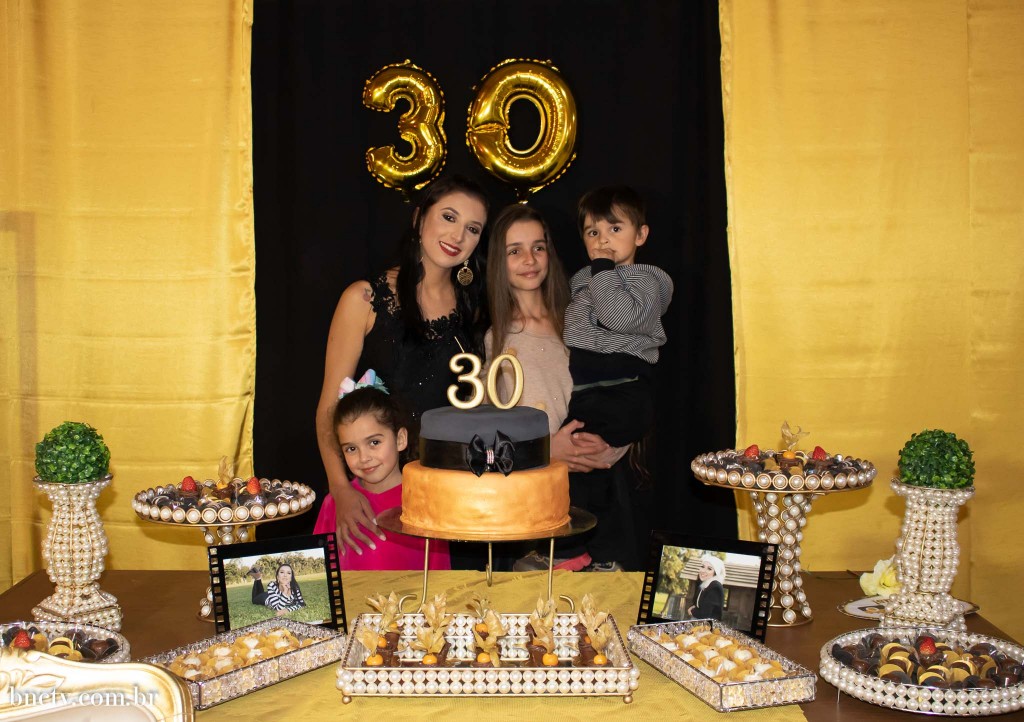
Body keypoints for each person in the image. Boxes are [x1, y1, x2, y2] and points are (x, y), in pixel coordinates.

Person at [315, 175, 489, 558]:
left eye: (472, 228)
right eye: (448, 217)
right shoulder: (364, 299)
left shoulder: (474, 308)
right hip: (375, 503)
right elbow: (329, 406)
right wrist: (340, 489)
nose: (458, 235)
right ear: (419, 218)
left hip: (449, 501)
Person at [483, 204, 627, 571]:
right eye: (514, 251)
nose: (529, 260)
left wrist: (612, 446)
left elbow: (625, 393)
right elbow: (489, 447)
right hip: (539, 513)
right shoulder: (495, 342)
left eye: (538, 247)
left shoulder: (583, 318)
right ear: (498, 261)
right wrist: (548, 450)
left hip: (604, 500)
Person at [559, 186, 674, 570]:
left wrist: (603, 270)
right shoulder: (584, 279)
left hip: (625, 385)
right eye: (593, 232)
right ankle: (586, 553)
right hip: (588, 389)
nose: (603, 240)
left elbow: (617, 316)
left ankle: (608, 553)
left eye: (614, 229)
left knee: (602, 469)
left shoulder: (648, 280)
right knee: (581, 469)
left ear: (640, 235)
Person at [312, 371, 450, 570]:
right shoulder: (334, 504)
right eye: (351, 449)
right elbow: (319, 573)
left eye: (374, 442)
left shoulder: (424, 501)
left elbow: (440, 573)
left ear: (400, 439)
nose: (364, 457)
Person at [688, 555, 726, 620]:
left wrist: (691, 611)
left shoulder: (715, 586)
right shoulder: (705, 584)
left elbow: (704, 614)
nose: (703, 571)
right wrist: (694, 607)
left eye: (709, 569)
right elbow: (699, 603)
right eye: (702, 567)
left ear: (715, 573)